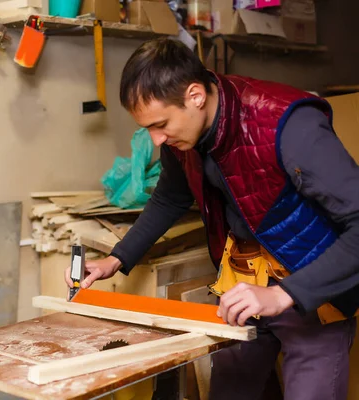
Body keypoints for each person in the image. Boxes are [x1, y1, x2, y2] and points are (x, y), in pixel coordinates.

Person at [65, 37, 359, 400]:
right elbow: (171, 196)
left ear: (195, 96)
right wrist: (116, 258)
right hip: (243, 283)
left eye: (160, 124)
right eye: (148, 129)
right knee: (229, 390)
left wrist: (285, 293)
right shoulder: (181, 135)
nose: (156, 140)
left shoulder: (289, 124)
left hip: (314, 286)